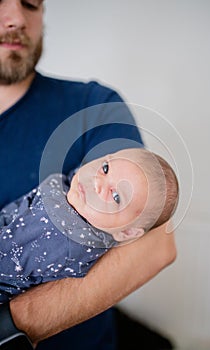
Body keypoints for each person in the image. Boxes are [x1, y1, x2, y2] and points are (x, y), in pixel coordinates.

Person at [0, 0, 177, 349]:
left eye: (31, 3)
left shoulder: (92, 107)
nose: (18, 18)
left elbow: (155, 244)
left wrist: (11, 326)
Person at [0, 148, 179, 303]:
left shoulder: (65, 237)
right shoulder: (83, 202)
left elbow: (5, 260)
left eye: (116, 196)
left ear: (127, 232)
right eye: (106, 168)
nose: (97, 182)